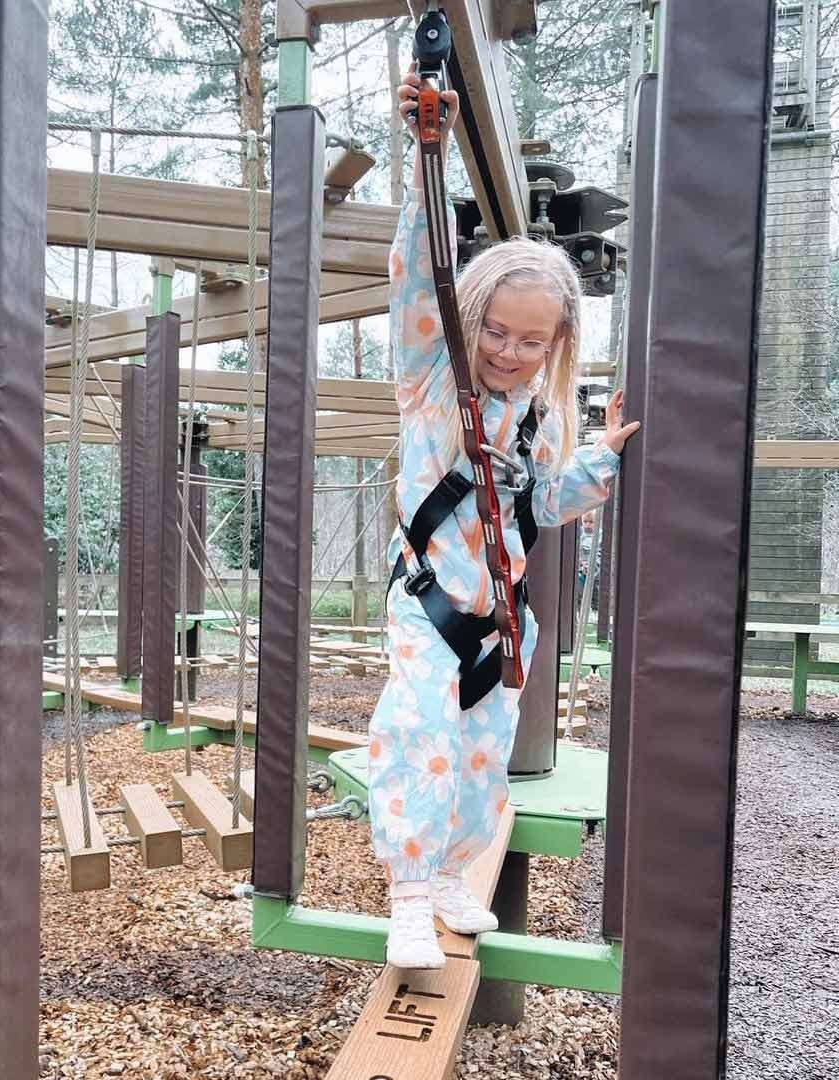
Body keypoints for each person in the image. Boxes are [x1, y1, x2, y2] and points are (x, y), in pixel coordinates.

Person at [370, 65, 639, 970]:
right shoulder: (431, 382)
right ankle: (408, 895)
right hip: (426, 602)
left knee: (484, 753)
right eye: (496, 332)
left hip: (501, 616)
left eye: (532, 342)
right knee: (421, 732)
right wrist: (425, 159)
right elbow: (420, 279)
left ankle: (451, 877)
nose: (510, 354)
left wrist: (601, 456)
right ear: (472, 318)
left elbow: (550, 502)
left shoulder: (543, 415)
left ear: (556, 344)